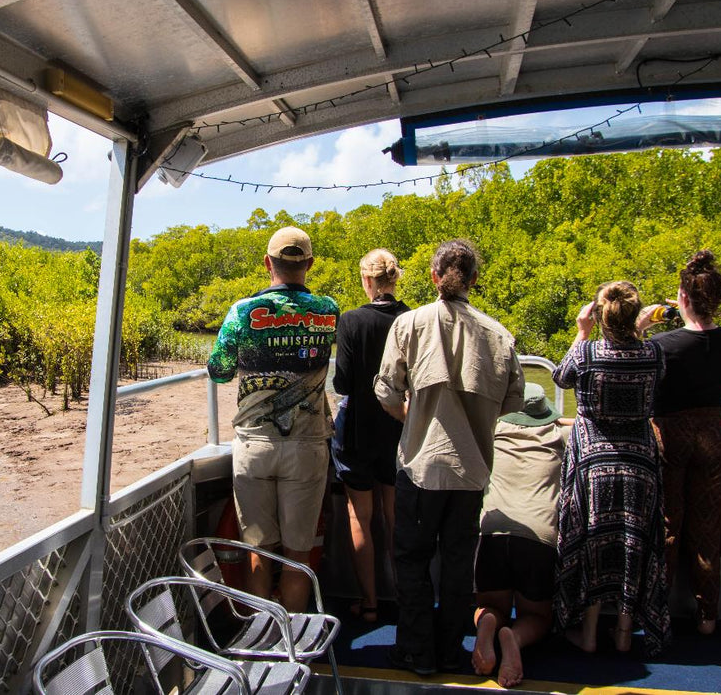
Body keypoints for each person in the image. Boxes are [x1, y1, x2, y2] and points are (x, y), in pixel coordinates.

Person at [374, 239, 525, 675]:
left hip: (420, 468)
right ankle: (447, 650)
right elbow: (513, 401)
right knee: (459, 567)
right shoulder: (498, 335)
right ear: (474, 280)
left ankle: (416, 653)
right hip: (472, 471)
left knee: (412, 561)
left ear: (434, 277)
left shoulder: (409, 324)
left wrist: (415, 421)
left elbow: (386, 391)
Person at [207, 226, 339, 613]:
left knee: (258, 551)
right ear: (309, 264)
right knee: (298, 555)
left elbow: (218, 370)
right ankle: (293, 649)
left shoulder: (243, 312)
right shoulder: (327, 310)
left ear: (267, 263)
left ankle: (262, 647)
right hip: (307, 446)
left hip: (254, 444)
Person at [553, 281, 671, 655]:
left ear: (599, 315)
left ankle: (587, 634)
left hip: (593, 464)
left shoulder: (586, 353)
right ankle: (623, 633)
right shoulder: (653, 354)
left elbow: (560, 376)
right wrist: (639, 331)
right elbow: (643, 360)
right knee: (632, 543)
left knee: (593, 543)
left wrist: (581, 331)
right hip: (640, 464)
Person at [637, 250, 721, 635]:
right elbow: (706, 336)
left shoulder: (664, 345)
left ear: (682, 297)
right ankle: (707, 616)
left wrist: (642, 325)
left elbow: (633, 359)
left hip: (670, 434)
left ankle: (657, 608)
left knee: (667, 523)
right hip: (714, 433)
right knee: (708, 526)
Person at [472, 383, 569, 688]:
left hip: (493, 531)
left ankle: (488, 623)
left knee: (490, 605)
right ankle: (514, 637)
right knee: (539, 616)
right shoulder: (558, 435)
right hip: (537, 536)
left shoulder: (491, 433)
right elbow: (580, 424)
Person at [332, 248, 410, 622]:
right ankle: (406, 600)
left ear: (366, 280)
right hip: (399, 428)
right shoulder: (412, 320)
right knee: (396, 518)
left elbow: (342, 381)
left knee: (360, 517)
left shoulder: (350, 321)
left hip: (359, 429)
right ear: (395, 279)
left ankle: (370, 605)